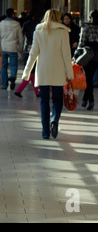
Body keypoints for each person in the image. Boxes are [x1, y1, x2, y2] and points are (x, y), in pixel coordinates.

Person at [22, 9, 74, 139]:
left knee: (44, 102)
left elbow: (33, 54)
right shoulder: (63, 32)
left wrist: (26, 72)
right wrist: (70, 74)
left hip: (43, 71)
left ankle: (45, 132)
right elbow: (67, 56)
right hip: (58, 71)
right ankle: (54, 120)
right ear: (58, 18)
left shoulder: (38, 31)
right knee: (57, 100)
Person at [75, 10, 98, 110]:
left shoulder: (85, 27)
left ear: (90, 17)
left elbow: (81, 42)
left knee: (88, 77)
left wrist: (76, 54)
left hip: (87, 55)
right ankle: (87, 100)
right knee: (90, 77)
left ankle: (90, 100)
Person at [15, 13, 39, 98]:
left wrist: (20, 48)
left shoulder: (25, 24)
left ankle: (35, 91)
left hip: (26, 48)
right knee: (31, 72)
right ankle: (21, 90)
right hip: (35, 47)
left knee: (30, 71)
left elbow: (22, 35)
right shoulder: (37, 25)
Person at [0, 8, 23, 90]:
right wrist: (20, 48)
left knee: (3, 66)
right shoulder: (17, 24)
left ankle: (4, 84)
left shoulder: (1, 24)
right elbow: (20, 38)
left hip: (3, 47)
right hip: (13, 48)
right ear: (13, 15)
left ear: (6, 14)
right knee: (13, 65)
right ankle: (13, 76)